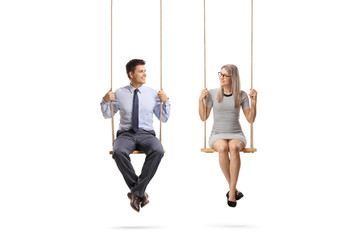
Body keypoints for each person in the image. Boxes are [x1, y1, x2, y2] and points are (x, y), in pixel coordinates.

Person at [100, 59, 171, 212]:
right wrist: (105, 101)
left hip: (147, 134)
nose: (145, 74)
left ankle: (136, 192)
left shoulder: (153, 93)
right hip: (126, 134)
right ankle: (139, 192)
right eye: (141, 71)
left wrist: (166, 102)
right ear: (131, 74)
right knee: (118, 152)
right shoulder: (119, 93)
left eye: (145, 71)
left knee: (158, 151)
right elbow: (107, 115)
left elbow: (163, 118)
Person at [198, 64, 257, 208]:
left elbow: (250, 119)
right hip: (217, 134)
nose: (221, 77)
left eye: (225, 75)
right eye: (220, 74)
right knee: (223, 147)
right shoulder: (212, 93)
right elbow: (204, 117)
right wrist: (200, 100)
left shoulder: (241, 95)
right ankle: (234, 190)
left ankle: (231, 191)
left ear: (233, 78)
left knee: (233, 147)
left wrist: (255, 101)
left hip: (236, 133)